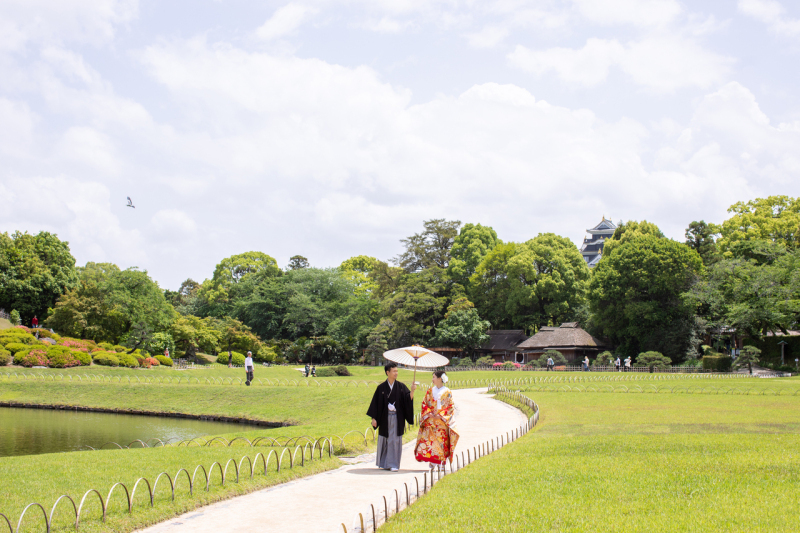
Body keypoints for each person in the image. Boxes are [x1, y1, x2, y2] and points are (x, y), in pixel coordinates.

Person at [367, 362, 416, 472]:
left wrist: (412, 390)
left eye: (397, 371)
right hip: (384, 418)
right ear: (387, 372)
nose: (396, 373)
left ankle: (393, 464)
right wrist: (374, 418)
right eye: (394, 371)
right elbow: (375, 403)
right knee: (385, 439)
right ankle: (384, 463)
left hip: (396, 418)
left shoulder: (401, 386)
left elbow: (408, 400)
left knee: (394, 440)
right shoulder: (381, 388)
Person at [414, 371, 459, 470]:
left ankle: (442, 462)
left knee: (442, 442)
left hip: (441, 421)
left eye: (434, 377)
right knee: (431, 441)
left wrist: (441, 415)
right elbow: (424, 403)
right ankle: (434, 461)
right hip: (431, 420)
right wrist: (429, 412)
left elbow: (450, 406)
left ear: (439, 378)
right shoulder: (430, 391)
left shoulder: (447, 392)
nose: (432, 379)